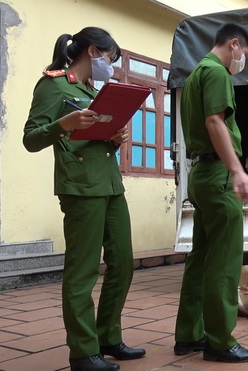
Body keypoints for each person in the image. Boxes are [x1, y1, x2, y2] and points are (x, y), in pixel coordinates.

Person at [23, 27, 146, 370]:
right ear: (92, 51)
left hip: (109, 185)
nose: (111, 66)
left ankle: (108, 336)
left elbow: (92, 136)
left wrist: (114, 136)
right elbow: (31, 139)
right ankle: (83, 352)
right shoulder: (53, 84)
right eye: (109, 59)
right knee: (83, 271)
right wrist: (63, 122)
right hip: (79, 187)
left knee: (122, 263)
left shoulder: (94, 91)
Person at [173, 24, 248, 363]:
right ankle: (220, 342)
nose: (242, 62)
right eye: (245, 56)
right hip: (219, 174)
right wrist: (237, 170)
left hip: (200, 173)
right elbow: (215, 122)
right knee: (224, 261)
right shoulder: (217, 72)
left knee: (200, 257)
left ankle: (189, 335)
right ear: (234, 44)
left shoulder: (195, 74)